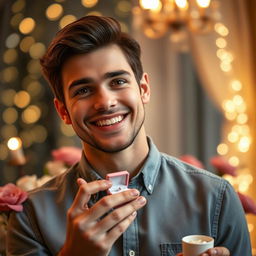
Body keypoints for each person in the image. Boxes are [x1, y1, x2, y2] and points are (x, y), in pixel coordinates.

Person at [6, 15, 251, 256]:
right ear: (63, 111)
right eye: (83, 90)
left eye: (118, 81)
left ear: (143, 89)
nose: (105, 102)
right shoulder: (30, 216)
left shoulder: (216, 198)